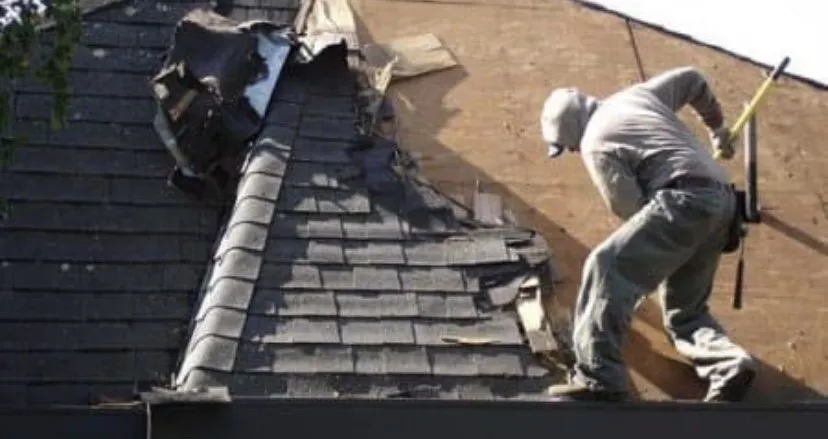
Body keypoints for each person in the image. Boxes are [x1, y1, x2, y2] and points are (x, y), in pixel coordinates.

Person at [539, 66, 757, 402]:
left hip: (681, 201)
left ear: (568, 132)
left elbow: (632, 208)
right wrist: (717, 128)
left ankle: (599, 377)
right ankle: (729, 364)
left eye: (564, 146)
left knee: (605, 266)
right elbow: (693, 80)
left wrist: (640, 270)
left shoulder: (595, 143)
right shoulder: (637, 97)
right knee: (685, 312)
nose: (570, 151)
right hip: (722, 202)